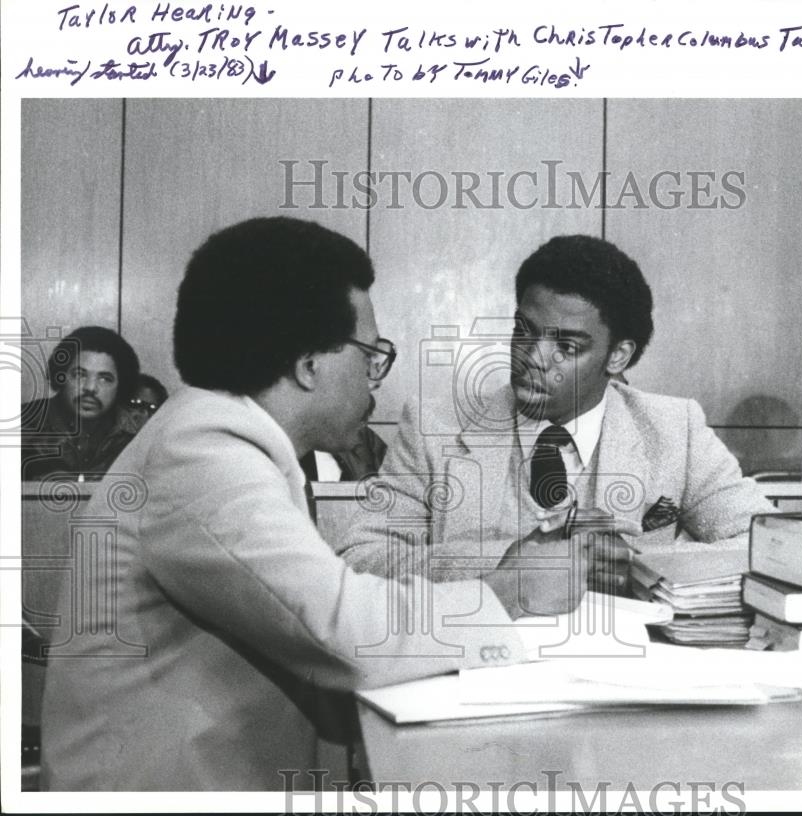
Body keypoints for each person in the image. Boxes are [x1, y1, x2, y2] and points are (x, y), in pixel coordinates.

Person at [41, 217, 597, 791]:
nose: (374, 382)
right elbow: (343, 628)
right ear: (309, 365)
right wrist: (512, 591)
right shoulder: (201, 451)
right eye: (370, 357)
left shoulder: (225, 437)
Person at [340, 235, 775, 589]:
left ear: (618, 356)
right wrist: (507, 562)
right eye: (523, 331)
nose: (531, 357)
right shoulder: (433, 427)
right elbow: (363, 557)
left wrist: (642, 564)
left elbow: (771, 545)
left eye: (566, 347)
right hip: (482, 673)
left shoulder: (674, 429)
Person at [21, 325, 141, 480]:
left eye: (105, 378)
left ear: (121, 386)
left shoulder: (136, 437)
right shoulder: (21, 424)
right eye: (80, 375)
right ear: (61, 376)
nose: (90, 388)